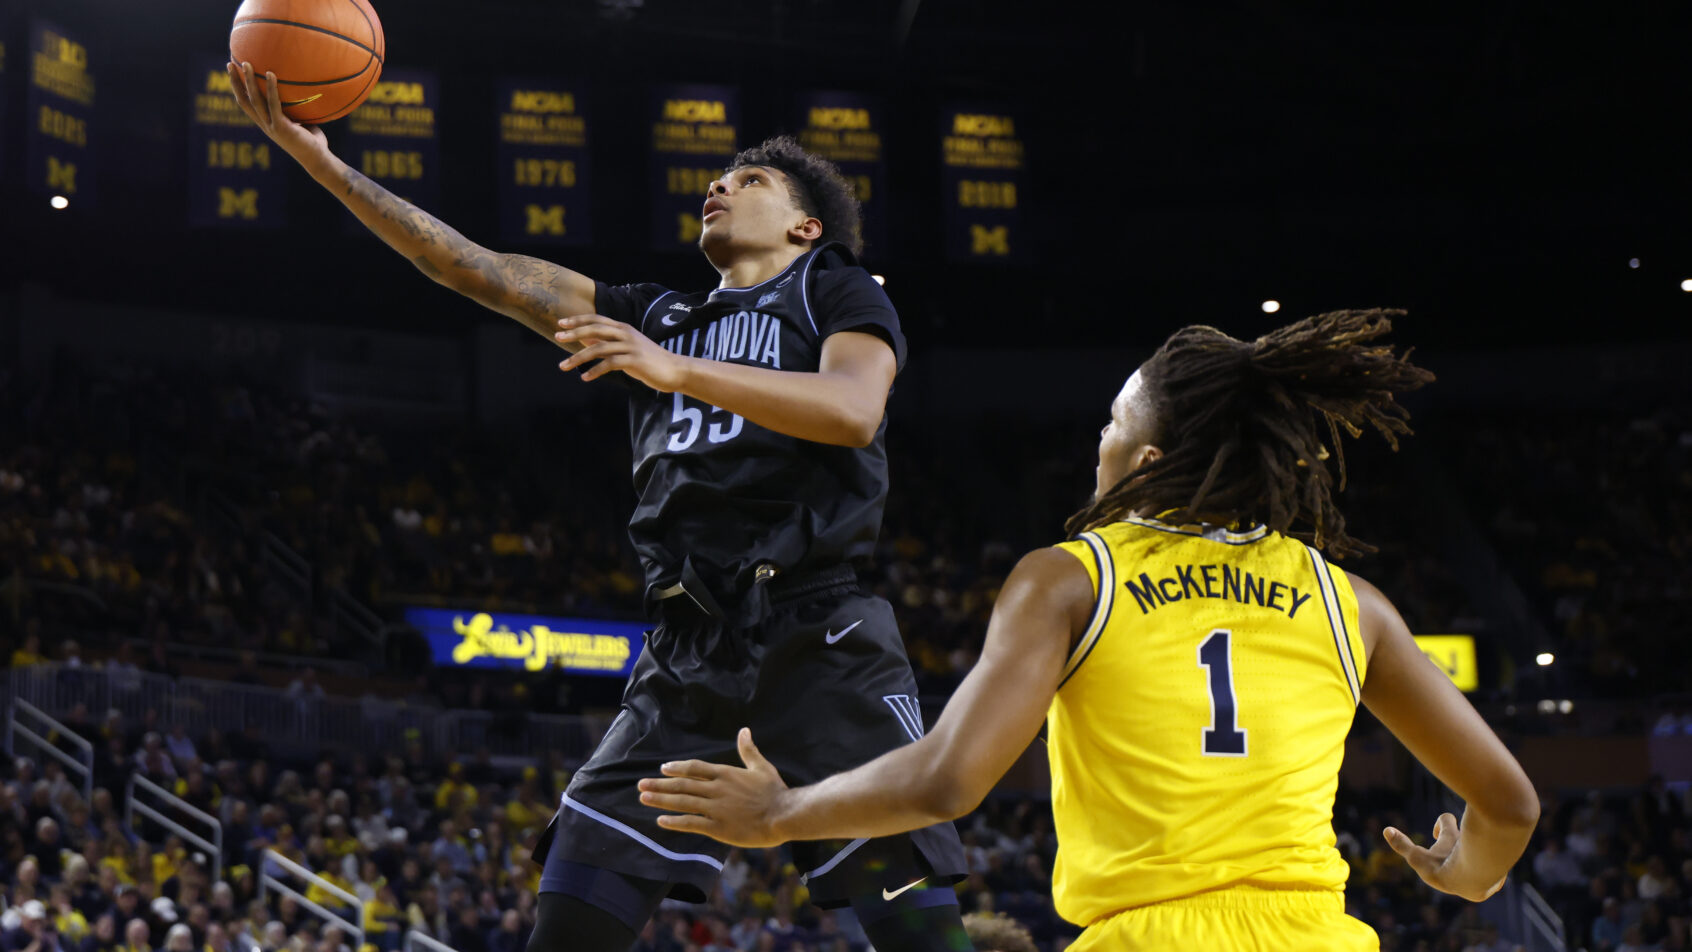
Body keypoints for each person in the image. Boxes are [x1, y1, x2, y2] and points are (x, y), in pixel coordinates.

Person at [227, 63, 966, 952]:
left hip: (821, 638)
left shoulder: (834, 288)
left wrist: (675, 371)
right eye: (718, 176)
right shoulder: (651, 316)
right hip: (687, 652)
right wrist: (322, 165)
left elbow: (852, 412)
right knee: (568, 923)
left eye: (750, 179)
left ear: (806, 226)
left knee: (921, 936)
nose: (718, 185)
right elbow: (474, 269)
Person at [637, 313, 1543, 950]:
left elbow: (950, 777)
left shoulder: (1072, 576)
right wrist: (1468, 877)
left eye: (1111, 423)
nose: (1097, 441)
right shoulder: (1352, 602)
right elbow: (1508, 805)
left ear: (1146, 462)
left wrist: (783, 813)